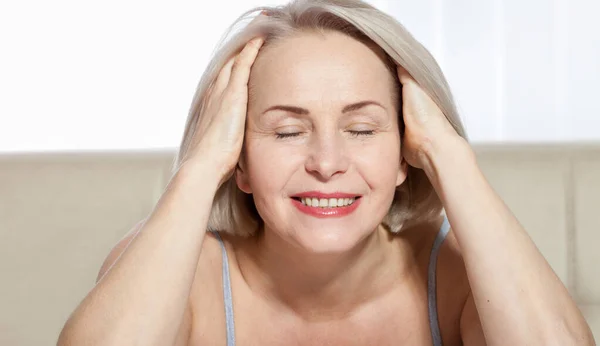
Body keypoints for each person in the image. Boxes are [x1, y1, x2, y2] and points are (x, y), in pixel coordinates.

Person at [58, 0, 594, 345]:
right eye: (288, 132)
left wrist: (451, 156)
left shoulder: (458, 273)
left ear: (407, 149)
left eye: (362, 130)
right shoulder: (180, 269)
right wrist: (201, 167)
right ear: (239, 160)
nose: (327, 163)